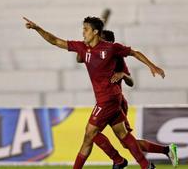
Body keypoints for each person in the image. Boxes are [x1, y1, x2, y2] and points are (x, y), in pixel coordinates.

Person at [23, 16, 165, 169]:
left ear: (95, 32)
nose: (82, 32)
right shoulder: (83, 48)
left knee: (89, 134)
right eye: (83, 28)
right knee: (123, 136)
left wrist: (152, 66)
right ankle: (142, 165)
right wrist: (38, 28)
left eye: (86, 29)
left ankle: (119, 160)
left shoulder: (111, 48)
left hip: (108, 99)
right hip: (109, 99)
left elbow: (134, 52)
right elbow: (56, 41)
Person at [77, 30, 178, 168]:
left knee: (91, 133)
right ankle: (164, 151)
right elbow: (79, 59)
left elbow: (131, 82)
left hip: (113, 101)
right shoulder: (95, 54)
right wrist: (85, 44)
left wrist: (123, 74)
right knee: (123, 141)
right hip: (107, 101)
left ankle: (122, 161)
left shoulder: (116, 57)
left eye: (101, 41)